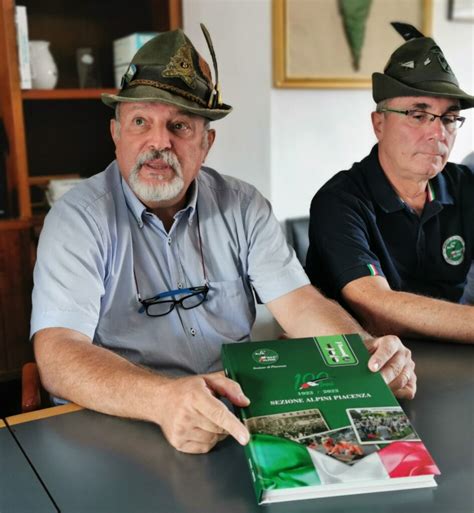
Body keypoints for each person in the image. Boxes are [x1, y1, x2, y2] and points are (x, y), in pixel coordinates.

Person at [31, 25, 414, 455]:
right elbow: (59, 353)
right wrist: (163, 399)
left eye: (180, 126)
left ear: (206, 142)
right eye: (141, 122)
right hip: (124, 420)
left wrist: (366, 353)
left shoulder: (243, 205)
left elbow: (300, 303)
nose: (159, 142)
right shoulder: (77, 218)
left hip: (234, 414)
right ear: (117, 134)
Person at [306, 22, 474, 343]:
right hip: (366, 368)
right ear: (379, 123)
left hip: (456, 362)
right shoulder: (339, 201)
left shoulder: (465, 184)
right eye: (418, 114)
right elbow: (376, 307)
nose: (438, 133)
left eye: (450, 118)